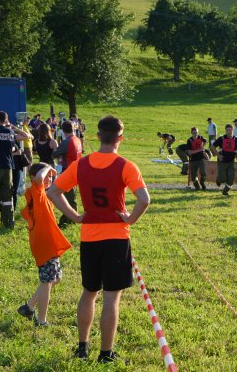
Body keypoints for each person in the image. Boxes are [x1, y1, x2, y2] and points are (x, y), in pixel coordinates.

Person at [47, 115, 150, 363]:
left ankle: (82, 347)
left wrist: (74, 216)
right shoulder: (126, 165)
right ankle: (106, 354)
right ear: (120, 138)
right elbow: (144, 199)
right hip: (116, 238)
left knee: (89, 292)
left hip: (90, 237)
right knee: (112, 297)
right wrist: (129, 219)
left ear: (97, 136)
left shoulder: (81, 165)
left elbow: (53, 191)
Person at [17, 162, 72, 326]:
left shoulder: (41, 194)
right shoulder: (36, 191)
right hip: (45, 245)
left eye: (50, 176)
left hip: (46, 243)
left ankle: (29, 307)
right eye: (45, 175)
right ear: (33, 177)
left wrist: (52, 173)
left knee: (56, 278)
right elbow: (41, 178)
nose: (49, 178)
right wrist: (49, 167)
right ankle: (41, 320)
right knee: (47, 282)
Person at [52, 121, 82, 227]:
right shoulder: (77, 140)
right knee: (71, 196)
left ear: (62, 131)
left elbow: (54, 154)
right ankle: (71, 219)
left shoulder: (67, 142)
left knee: (66, 197)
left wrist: (55, 146)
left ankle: (68, 220)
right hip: (76, 170)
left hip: (68, 171)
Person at [211, 124, 237, 196]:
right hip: (222, 161)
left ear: (232, 130)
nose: (229, 131)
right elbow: (212, 147)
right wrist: (218, 155)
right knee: (222, 179)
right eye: (227, 130)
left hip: (231, 162)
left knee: (231, 179)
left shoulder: (236, 139)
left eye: (230, 130)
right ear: (225, 130)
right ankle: (218, 179)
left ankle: (225, 191)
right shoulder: (221, 139)